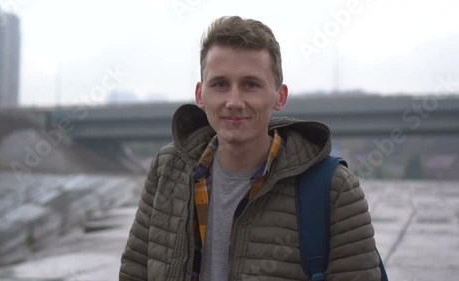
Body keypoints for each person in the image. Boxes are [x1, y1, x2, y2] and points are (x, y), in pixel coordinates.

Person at [119, 15, 381, 281]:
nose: (234, 101)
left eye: (250, 85)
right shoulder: (167, 168)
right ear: (200, 94)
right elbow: (135, 268)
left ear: (280, 96)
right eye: (220, 84)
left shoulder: (333, 189)